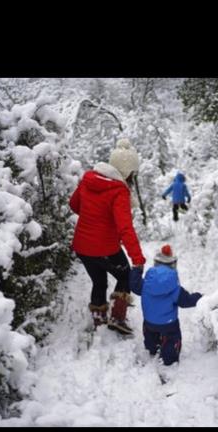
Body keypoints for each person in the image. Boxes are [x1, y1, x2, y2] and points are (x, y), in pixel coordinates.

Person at [69, 139, 144, 335]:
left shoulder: (89, 179)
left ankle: (98, 318)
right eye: (132, 173)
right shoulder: (119, 191)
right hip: (104, 248)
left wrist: (93, 215)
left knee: (99, 281)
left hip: (82, 247)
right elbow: (125, 229)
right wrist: (138, 259)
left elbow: (74, 205)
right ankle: (117, 318)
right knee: (126, 275)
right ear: (127, 171)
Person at [129, 244, 202, 365]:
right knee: (172, 337)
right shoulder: (174, 288)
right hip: (169, 324)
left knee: (150, 334)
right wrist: (200, 298)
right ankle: (169, 359)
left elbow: (134, 285)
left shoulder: (146, 284)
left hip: (149, 322)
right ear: (173, 265)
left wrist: (136, 270)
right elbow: (186, 301)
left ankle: (152, 348)